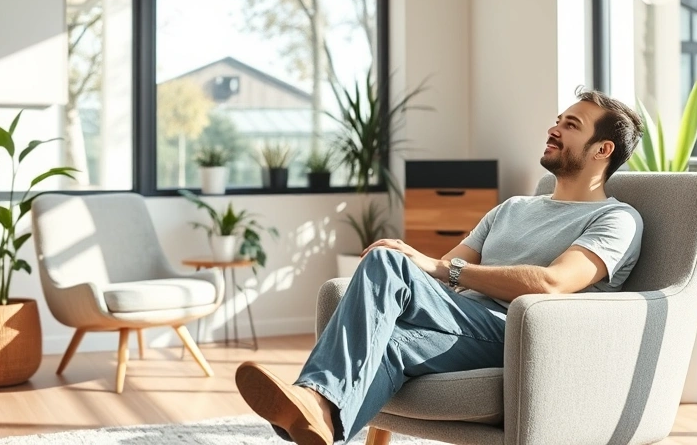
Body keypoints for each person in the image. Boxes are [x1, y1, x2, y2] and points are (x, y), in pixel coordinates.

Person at [235, 89, 645, 445]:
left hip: (522, 335)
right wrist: (435, 268)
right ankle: (321, 419)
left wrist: (430, 266)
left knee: (387, 261)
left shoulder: (616, 219)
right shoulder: (513, 208)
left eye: (570, 125)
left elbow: (552, 283)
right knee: (392, 344)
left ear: (602, 149)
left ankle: (312, 395)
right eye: (557, 121)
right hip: (464, 327)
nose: (553, 129)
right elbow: (451, 266)